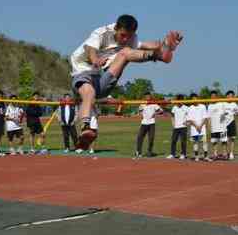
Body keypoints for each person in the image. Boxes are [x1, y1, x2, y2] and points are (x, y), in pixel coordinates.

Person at [70, 14, 182, 150]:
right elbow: (90, 49)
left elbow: (145, 45)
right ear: (116, 28)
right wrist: (94, 60)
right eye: (123, 35)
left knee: (126, 52)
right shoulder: (102, 33)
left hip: (101, 80)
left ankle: (158, 56)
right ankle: (86, 128)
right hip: (82, 73)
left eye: (129, 36)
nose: (125, 39)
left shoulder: (130, 38)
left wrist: (165, 45)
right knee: (89, 93)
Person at [135, 92, 163, 158]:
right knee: (139, 137)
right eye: (146, 96)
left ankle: (149, 152)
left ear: (150, 97)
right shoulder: (142, 104)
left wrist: (155, 113)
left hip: (151, 123)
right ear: (145, 97)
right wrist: (141, 114)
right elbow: (139, 111)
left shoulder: (154, 104)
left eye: (149, 96)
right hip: (143, 123)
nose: (148, 97)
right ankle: (138, 152)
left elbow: (161, 111)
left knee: (151, 138)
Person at [186, 93, 212, 162]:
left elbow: (205, 118)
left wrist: (200, 126)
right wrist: (196, 126)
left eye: (195, 98)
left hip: (202, 128)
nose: (194, 100)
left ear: (198, 98)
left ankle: (206, 156)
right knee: (195, 142)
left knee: (204, 142)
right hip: (194, 128)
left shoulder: (203, 106)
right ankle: (196, 156)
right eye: (192, 99)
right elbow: (190, 119)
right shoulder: (190, 108)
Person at [207, 91, 228, 159]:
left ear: (216, 96)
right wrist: (209, 126)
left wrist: (224, 114)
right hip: (214, 127)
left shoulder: (221, 103)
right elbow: (209, 117)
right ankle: (215, 154)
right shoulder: (209, 106)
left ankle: (224, 153)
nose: (213, 97)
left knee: (224, 141)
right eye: (212, 96)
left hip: (222, 127)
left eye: (214, 96)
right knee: (214, 141)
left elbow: (226, 112)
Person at [167, 94, 188, 160]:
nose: (178, 102)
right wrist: (173, 123)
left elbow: (189, 116)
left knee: (183, 141)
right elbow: (172, 116)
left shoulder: (186, 107)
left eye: (179, 100)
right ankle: (172, 154)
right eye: (177, 100)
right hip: (176, 127)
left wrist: (187, 122)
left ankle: (183, 154)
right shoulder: (174, 107)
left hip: (183, 127)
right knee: (173, 140)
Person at [224, 90, 238, 160]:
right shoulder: (223, 103)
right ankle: (226, 153)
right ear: (227, 96)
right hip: (224, 123)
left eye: (232, 96)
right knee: (225, 139)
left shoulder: (234, 104)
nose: (230, 97)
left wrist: (236, 113)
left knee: (232, 139)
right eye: (229, 96)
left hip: (232, 123)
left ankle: (231, 153)